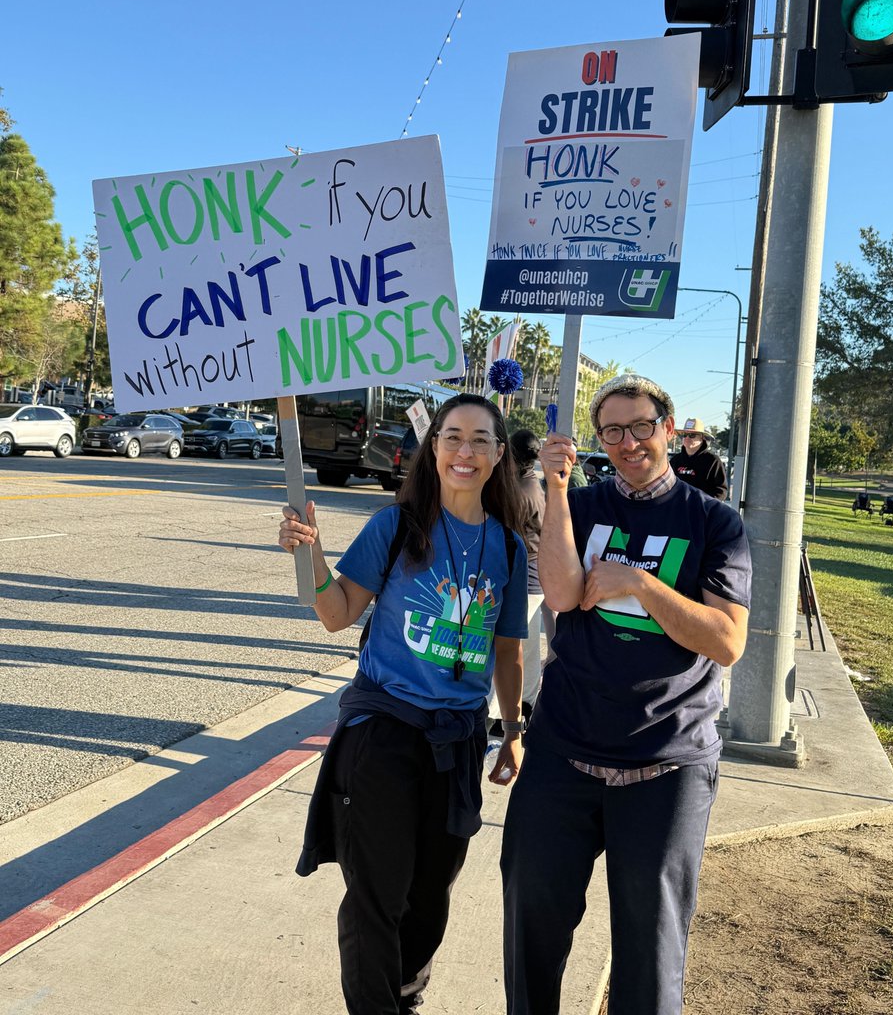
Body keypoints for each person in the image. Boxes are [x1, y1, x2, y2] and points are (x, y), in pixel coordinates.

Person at [500, 374, 751, 1015]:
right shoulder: (579, 506)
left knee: (651, 952)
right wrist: (557, 492)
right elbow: (559, 596)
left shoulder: (714, 522)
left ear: (668, 429)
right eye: (612, 430)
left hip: (667, 761)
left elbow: (725, 641)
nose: (628, 441)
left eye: (641, 426)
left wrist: (639, 584)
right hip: (563, 751)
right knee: (532, 933)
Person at [278, 393, 528, 1015]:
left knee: (430, 895)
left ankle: (405, 996)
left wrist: (513, 729)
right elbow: (336, 615)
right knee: (376, 895)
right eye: (451, 437)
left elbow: (508, 653)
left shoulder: (510, 548)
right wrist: (307, 552)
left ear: (499, 456)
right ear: (432, 447)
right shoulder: (394, 527)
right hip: (384, 730)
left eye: (479, 440)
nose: (463, 451)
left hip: (459, 740)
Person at [488, 429, 546, 730]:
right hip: (534, 579)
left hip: (526, 579)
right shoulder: (531, 483)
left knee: (508, 646)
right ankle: (527, 704)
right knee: (528, 645)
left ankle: (498, 714)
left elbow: (501, 533)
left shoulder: (521, 491)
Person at [670, 416, 728, 500]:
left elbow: (721, 491)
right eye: (685, 434)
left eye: (692, 435)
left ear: (702, 438)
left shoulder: (713, 461)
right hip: (677, 510)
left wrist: (705, 506)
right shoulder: (675, 460)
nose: (687, 438)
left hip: (702, 510)